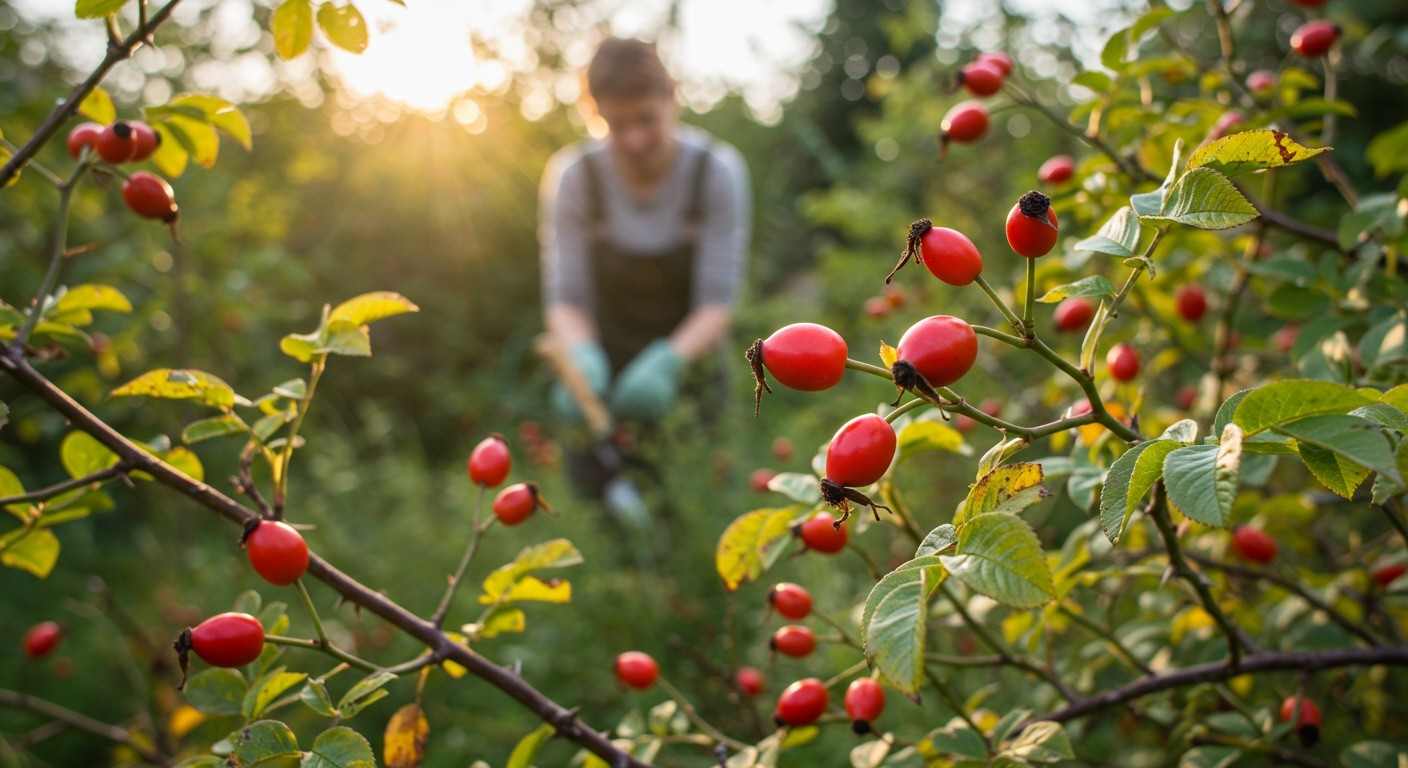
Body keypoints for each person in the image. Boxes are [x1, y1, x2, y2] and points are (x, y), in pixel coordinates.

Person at [538, 37, 751, 500]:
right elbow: (566, 299)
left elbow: (717, 301)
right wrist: (580, 361)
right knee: (603, 513)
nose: (633, 139)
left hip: (689, 376)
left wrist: (668, 363)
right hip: (603, 379)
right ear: (593, 112)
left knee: (696, 508)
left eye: (646, 120)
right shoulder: (574, 178)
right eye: (616, 124)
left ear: (671, 97)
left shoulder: (715, 173)